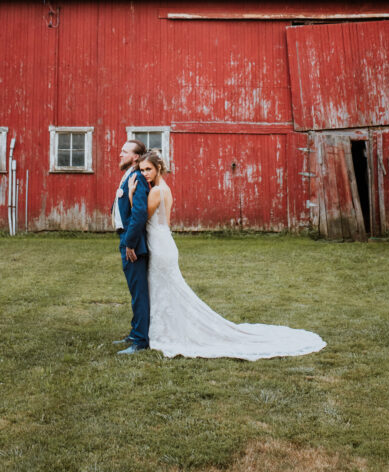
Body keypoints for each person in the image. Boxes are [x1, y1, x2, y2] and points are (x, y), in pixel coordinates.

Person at [128, 151, 326, 360]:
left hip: (160, 247)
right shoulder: (165, 189)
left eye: (148, 169)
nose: (144, 174)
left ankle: (169, 332)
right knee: (166, 290)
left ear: (158, 167)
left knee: (163, 289)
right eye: (141, 170)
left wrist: (132, 196)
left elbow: (140, 217)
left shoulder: (156, 191)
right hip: (165, 241)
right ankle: (165, 328)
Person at [112, 139, 150, 354]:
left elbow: (140, 213)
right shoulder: (129, 175)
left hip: (133, 242)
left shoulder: (137, 177)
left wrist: (130, 243)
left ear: (136, 157)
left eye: (125, 151)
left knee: (139, 292)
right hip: (126, 237)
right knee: (134, 290)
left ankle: (140, 341)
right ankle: (135, 332)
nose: (120, 154)